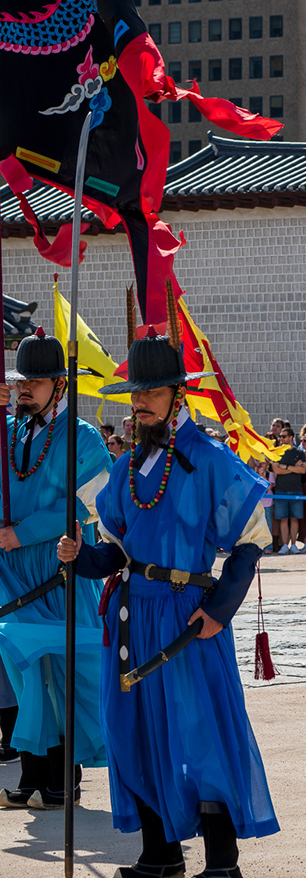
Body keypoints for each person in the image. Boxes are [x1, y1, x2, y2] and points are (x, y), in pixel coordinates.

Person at [63, 330, 276, 877]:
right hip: (132, 615)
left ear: (178, 396)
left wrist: (220, 610)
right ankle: (159, 856)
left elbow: (253, 539)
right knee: (132, 729)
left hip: (186, 617)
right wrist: (77, 556)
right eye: (135, 393)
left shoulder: (209, 459)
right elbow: (113, 552)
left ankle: (222, 863)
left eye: (151, 393)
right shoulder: (129, 465)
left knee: (198, 732)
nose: (139, 402)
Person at [1, 328, 109, 808]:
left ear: (60, 386)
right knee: (26, 671)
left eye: (37, 381)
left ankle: (63, 780)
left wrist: (22, 533)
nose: (26, 388)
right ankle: (31, 776)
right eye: (23, 380)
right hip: (12, 571)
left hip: (58, 566)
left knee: (64, 671)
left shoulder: (83, 438)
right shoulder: (11, 431)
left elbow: (88, 504)